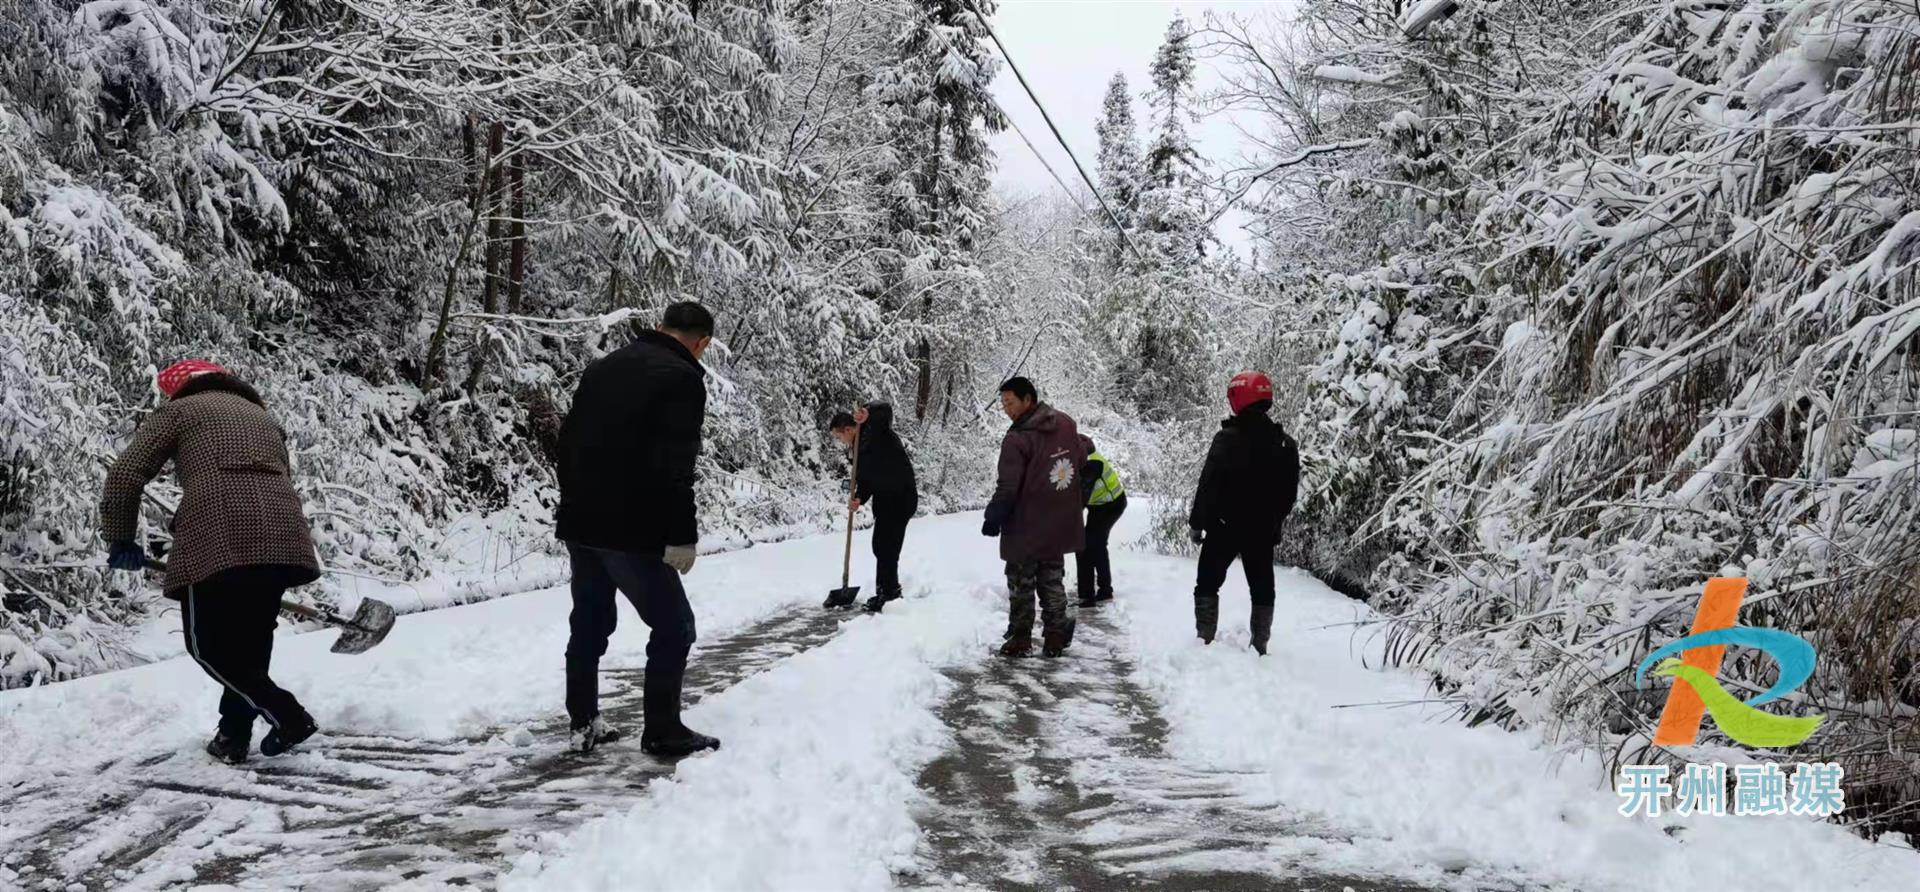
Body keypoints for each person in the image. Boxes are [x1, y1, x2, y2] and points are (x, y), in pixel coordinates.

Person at [100, 360, 322, 764]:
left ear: (177, 389)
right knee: (251, 643)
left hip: (217, 533)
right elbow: (260, 477)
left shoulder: (180, 411)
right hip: (283, 530)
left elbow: (126, 474)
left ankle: (288, 715)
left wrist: (120, 538)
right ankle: (232, 736)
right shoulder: (262, 416)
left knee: (208, 645)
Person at [554, 301, 720, 757]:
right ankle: (664, 731)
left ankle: (583, 722)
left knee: (589, 622)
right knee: (674, 626)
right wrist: (681, 534)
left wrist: (573, 503)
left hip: (581, 520)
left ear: (659, 327)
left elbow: (567, 442)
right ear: (701, 342)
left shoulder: (603, 367)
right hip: (631, 527)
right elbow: (676, 464)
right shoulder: (682, 378)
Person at [1188, 371, 1301, 656]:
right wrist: (1273, 520)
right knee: (1262, 586)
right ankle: (1260, 646)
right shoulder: (1286, 444)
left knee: (1207, 582)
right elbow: (1288, 494)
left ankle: (1204, 639)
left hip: (1224, 526)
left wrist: (1197, 523)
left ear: (1238, 398)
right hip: (1262, 529)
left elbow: (1208, 484)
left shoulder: (1227, 439)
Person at [982, 377, 1086, 658]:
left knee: (1021, 581)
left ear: (1028, 399)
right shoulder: (1065, 423)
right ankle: (1055, 635)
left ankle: (1020, 637)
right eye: (1003, 403)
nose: (1006, 409)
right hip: (1059, 520)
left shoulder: (1017, 439)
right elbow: (1082, 455)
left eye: (1010, 402)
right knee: (1052, 578)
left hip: (1025, 524)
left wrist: (993, 517)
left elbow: (1008, 486)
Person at [829, 402, 918, 612]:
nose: (839, 441)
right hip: (885, 500)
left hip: (900, 497)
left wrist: (867, 412)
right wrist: (859, 498)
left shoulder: (876, 432)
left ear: (848, 429)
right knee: (880, 545)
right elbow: (866, 482)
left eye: (839, 436)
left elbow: (884, 411)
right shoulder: (857, 451)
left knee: (888, 547)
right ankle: (885, 591)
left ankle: (890, 594)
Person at [1074, 434, 1127, 609]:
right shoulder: (1082, 456)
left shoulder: (1091, 464)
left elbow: (1080, 497)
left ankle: (1101, 592)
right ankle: (1087, 594)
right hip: (1097, 505)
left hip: (1111, 505)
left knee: (1092, 544)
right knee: (1086, 545)